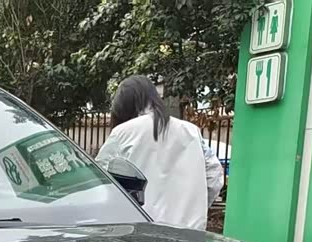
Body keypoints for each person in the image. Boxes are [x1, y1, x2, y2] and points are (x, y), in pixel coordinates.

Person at [96, 76, 224, 230]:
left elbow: (99, 181)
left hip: (139, 233)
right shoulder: (191, 131)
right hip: (190, 234)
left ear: (123, 107)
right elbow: (214, 177)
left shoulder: (123, 133)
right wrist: (195, 210)